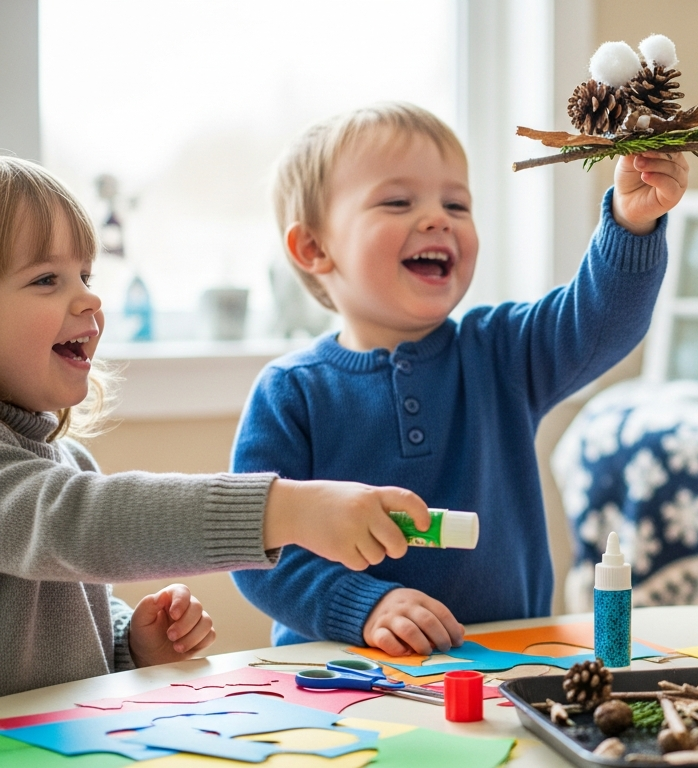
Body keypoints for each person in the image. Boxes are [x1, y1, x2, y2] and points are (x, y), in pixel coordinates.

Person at [231, 103, 689, 655]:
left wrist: (631, 223)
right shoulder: (290, 393)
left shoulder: (502, 350)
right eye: (398, 202)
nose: (438, 219)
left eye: (456, 204)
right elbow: (254, 549)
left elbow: (601, 322)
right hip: (341, 672)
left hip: (509, 663)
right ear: (313, 248)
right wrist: (363, 606)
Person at [0, 156, 436, 697]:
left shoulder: (68, 460)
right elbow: (80, 523)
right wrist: (289, 511)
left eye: (85, 276)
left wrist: (130, 643)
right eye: (46, 279)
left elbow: (69, 613)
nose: (90, 298)